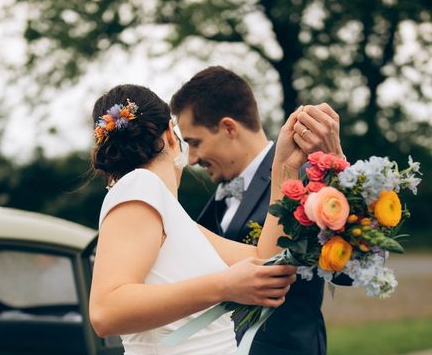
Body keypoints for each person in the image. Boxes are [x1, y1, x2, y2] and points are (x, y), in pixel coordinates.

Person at [88, 83, 320, 355]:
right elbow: (106, 310)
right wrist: (223, 286)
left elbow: (266, 261)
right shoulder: (140, 186)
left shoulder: (171, 213)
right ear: (170, 136)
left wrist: (284, 168)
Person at [170, 66, 345, 355]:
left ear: (228, 128)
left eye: (194, 142)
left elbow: (346, 273)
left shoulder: (303, 177)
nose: (191, 159)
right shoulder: (221, 194)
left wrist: (337, 168)